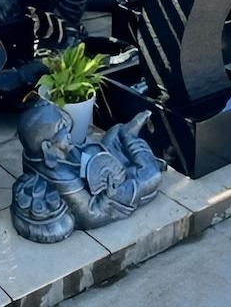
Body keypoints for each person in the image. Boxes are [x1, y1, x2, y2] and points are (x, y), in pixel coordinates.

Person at [11, 100, 162, 242]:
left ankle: (130, 144)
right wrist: (108, 195)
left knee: (116, 131)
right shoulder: (62, 177)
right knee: (152, 175)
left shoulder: (36, 155)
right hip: (108, 197)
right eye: (62, 130)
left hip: (96, 175)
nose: (68, 133)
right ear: (47, 147)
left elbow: (85, 157)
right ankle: (136, 148)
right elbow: (91, 215)